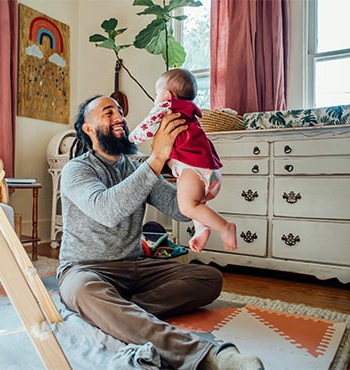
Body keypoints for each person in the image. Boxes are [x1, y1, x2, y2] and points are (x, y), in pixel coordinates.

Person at [58, 94, 263, 369]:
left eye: (120, 111)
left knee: (209, 279)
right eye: (109, 112)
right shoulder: (76, 169)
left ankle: (116, 314)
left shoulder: (137, 166)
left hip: (134, 268)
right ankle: (209, 357)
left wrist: (195, 173)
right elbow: (107, 211)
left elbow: (178, 209)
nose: (119, 117)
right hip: (85, 269)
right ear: (88, 128)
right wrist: (156, 158)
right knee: (82, 291)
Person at [129, 68, 237, 253]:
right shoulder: (190, 112)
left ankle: (224, 227)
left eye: (157, 93)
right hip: (210, 172)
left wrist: (131, 138)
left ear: (167, 95)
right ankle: (201, 228)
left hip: (192, 170)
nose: (156, 98)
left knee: (187, 206)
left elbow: (146, 129)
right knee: (195, 203)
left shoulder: (165, 107)